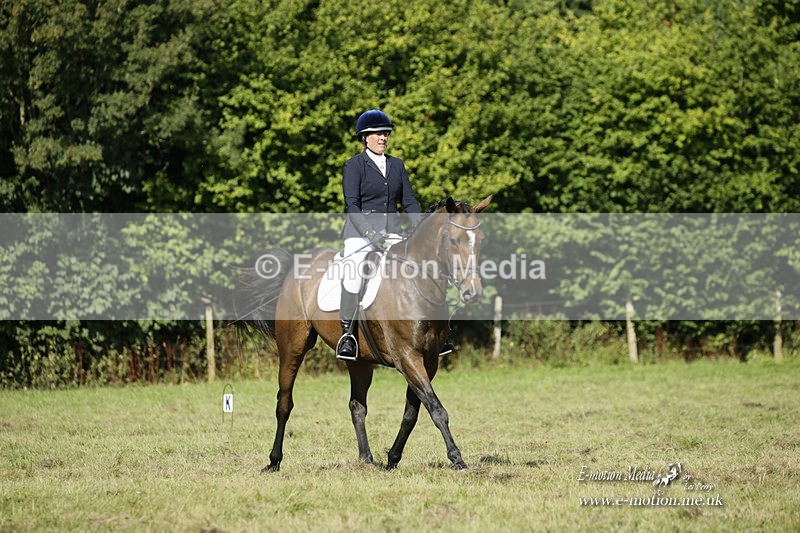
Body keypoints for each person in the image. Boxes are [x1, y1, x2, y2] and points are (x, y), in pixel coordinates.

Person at [337, 109, 422, 360]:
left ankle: (434, 330)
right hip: (360, 234)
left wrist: (419, 227)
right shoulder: (354, 165)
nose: (382, 137)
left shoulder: (396, 165)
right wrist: (370, 233)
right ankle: (348, 336)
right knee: (353, 271)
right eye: (377, 133)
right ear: (365, 138)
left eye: (385, 133)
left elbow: (409, 201)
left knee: (421, 266)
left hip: (392, 233)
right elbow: (352, 205)